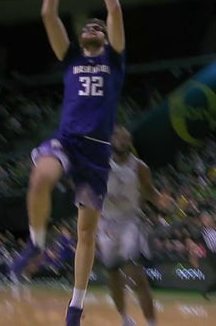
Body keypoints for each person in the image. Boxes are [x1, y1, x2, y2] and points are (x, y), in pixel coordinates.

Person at [11, 0, 126, 324]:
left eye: (98, 27)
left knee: (86, 232)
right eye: (87, 27)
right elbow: (48, 14)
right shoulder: (72, 57)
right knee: (40, 178)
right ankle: (36, 241)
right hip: (67, 140)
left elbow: (115, 10)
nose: (92, 28)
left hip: (98, 152)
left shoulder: (114, 60)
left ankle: (75, 306)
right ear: (80, 37)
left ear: (105, 38)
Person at [97, 126, 161, 326]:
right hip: (105, 223)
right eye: (118, 137)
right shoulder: (99, 164)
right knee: (113, 275)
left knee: (137, 275)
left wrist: (161, 200)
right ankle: (125, 318)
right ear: (111, 141)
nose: (123, 141)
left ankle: (152, 323)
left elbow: (150, 192)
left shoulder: (139, 167)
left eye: (126, 138)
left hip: (129, 221)